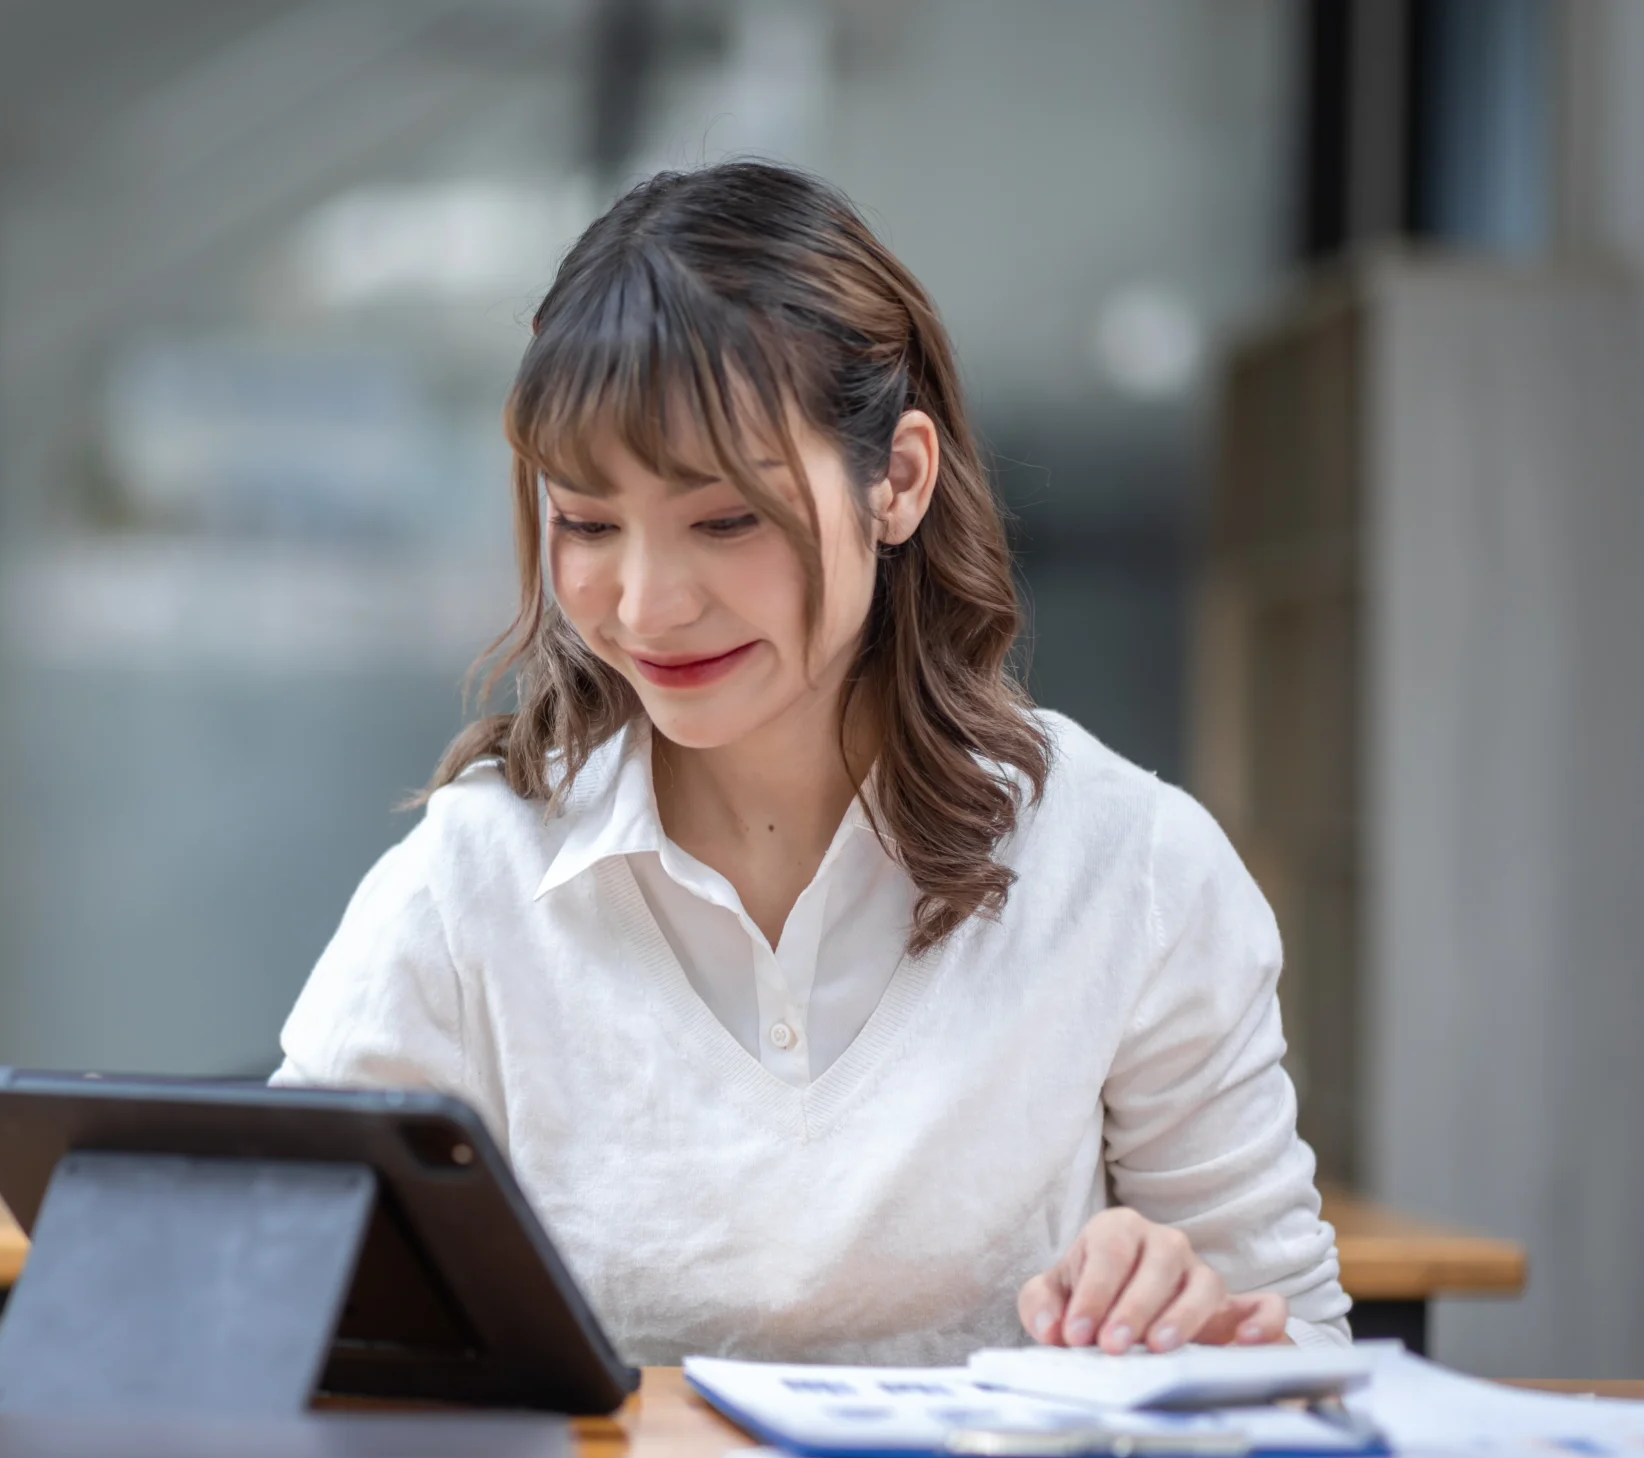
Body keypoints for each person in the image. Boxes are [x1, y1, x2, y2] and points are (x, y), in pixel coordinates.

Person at [273, 162, 1349, 1366]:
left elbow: (1301, 1356)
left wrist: (1191, 1318)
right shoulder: (468, 885)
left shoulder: (1129, 868)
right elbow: (260, 1295)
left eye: (724, 520)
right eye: (584, 524)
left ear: (896, 479)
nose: (644, 603)